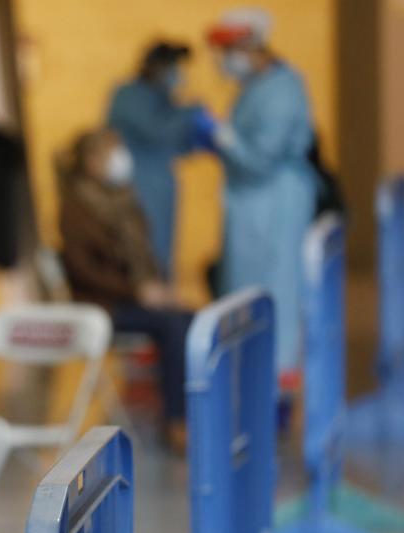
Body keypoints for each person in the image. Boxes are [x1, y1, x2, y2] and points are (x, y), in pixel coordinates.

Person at [198, 8, 316, 377]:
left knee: (275, 288)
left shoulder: (283, 89)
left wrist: (222, 136)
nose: (224, 62)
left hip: (274, 204)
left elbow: (262, 158)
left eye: (229, 50)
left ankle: (278, 374)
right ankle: (254, 369)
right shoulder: (257, 87)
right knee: (247, 289)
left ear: (251, 46)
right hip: (253, 205)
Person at [58, 128, 192, 448]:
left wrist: (156, 289)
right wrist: (138, 293)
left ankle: (194, 411)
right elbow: (82, 270)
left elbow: (143, 254)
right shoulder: (77, 206)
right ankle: (176, 421)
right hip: (101, 305)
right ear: (90, 161)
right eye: (111, 151)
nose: (121, 159)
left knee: (193, 319)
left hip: (132, 297)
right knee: (173, 326)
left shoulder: (125, 200)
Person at [106, 41, 203, 277]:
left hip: (159, 186)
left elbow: (178, 145)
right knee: (142, 250)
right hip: (138, 186)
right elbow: (156, 129)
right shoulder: (129, 94)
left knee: (162, 254)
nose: (177, 76)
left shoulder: (163, 98)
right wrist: (191, 112)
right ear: (158, 67)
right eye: (173, 68)